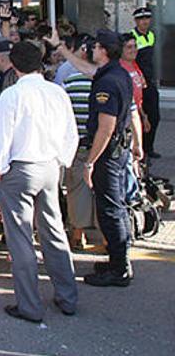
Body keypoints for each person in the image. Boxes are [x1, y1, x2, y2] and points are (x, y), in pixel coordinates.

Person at [0, 41, 79, 323]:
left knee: (21, 238)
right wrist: (61, 160)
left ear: (14, 65)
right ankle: (67, 296)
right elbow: (71, 134)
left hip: (20, 167)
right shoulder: (57, 92)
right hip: (50, 166)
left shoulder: (12, 95)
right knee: (54, 232)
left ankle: (29, 305)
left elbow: (2, 137)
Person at [82, 30, 143, 287]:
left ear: (103, 50)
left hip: (108, 154)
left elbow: (105, 127)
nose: (91, 50)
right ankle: (117, 259)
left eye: (94, 47)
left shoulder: (107, 83)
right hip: (119, 150)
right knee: (113, 206)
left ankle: (119, 267)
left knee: (110, 210)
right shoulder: (118, 73)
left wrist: (90, 161)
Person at [62, 37, 96, 250]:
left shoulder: (71, 81)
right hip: (101, 146)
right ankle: (105, 237)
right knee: (103, 190)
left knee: (77, 190)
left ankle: (78, 234)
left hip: (77, 144)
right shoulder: (108, 80)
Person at [128, 8, 158, 158]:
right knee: (138, 115)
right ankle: (139, 147)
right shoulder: (131, 37)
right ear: (136, 21)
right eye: (141, 19)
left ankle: (149, 147)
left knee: (154, 115)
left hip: (150, 80)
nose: (145, 22)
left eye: (147, 18)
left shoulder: (151, 35)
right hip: (137, 80)